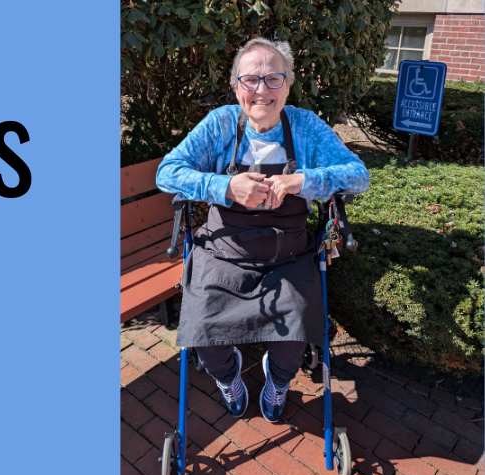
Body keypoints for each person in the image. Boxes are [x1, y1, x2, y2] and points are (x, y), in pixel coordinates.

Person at [155, 37, 369, 422]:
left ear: (288, 85)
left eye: (273, 78)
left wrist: (301, 181)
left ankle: (278, 379)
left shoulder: (303, 126)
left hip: (287, 254)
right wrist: (224, 187)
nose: (261, 90)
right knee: (204, 337)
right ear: (236, 85)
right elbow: (167, 173)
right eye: (251, 79)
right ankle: (228, 375)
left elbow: (358, 175)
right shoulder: (222, 123)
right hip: (224, 252)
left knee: (294, 340)